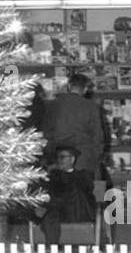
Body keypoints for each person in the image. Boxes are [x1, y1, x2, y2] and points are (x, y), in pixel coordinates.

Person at [40, 71, 102, 206]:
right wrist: (96, 156)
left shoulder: (53, 104)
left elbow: (46, 132)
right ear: (85, 89)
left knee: (58, 195)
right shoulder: (91, 106)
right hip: (84, 156)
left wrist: (50, 157)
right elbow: (97, 136)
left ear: (68, 86)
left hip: (59, 156)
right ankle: (97, 214)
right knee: (93, 191)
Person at [32, 145, 95, 246]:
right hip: (58, 211)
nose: (59, 161)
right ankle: (53, 249)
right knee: (50, 215)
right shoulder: (53, 176)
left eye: (63, 157)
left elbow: (82, 191)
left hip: (76, 211)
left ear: (73, 159)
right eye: (58, 158)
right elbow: (47, 192)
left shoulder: (83, 175)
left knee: (52, 210)